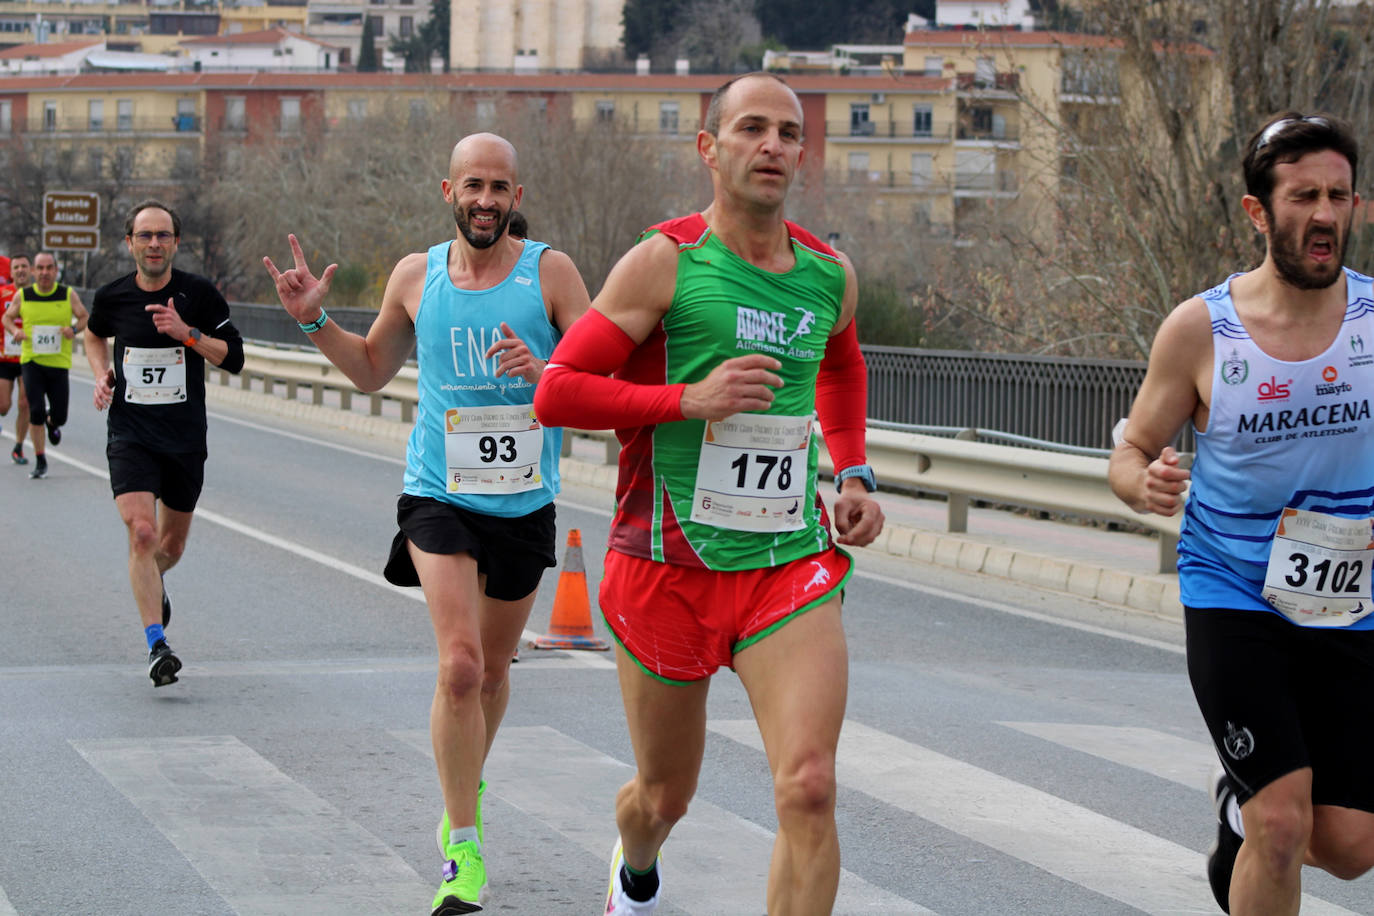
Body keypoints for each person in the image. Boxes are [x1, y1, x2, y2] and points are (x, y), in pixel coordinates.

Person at [533, 72, 885, 916]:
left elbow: (840, 363)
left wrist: (855, 469)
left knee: (808, 789)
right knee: (663, 797)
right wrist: (681, 400)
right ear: (710, 147)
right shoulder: (667, 261)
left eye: (789, 133)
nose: (772, 146)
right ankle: (637, 863)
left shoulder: (829, 275)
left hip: (786, 561)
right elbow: (558, 390)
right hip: (665, 566)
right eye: (752, 129)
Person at [263, 132, 590, 915]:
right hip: (437, 492)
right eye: (472, 185)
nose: (485, 200)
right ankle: (464, 848)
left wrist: (547, 373)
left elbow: (598, 375)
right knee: (461, 667)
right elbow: (372, 370)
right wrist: (314, 322)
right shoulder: (417, 275)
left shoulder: (551, 272)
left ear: (516, 196)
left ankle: (462, 773)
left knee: (498, 672)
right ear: (448, 190)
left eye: (499, 188)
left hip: (522, 500)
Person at [1109, 112, 1374, 915]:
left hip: (1349, 601)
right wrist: (1141, 482)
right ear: (1259, 213)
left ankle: (1237, 806)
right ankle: (1257, 811)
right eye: (1303, 197)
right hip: (1234, 595)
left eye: (1338, 195)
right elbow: (1130, 450)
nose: (1324, 214)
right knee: (1284, 826)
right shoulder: (1201, 330)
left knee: (1351, 848)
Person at [84, 200, 246, 687]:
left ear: (176, 243)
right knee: (142, 534)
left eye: (163, 236)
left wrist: (188, 335)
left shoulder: (199, 294)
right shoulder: (112, 297)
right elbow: (93, 337)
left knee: (170, 546)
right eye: (145, 236)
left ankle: (155, 581)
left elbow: (234, 358)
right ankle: (157, 643)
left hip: (183, 439)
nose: (154, 244)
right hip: (130, 433)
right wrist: (100, 375)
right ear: (129, 242)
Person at [2, 252, 88, 480]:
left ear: (56, 270)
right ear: (33, 271)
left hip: (59, 363)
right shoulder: (24, 295)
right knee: (35, 410)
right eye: (40, 268)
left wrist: (74, 330)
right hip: (31, 362)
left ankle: (53, 422)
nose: (44, 273)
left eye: (49, 268)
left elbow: (84, 317)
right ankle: (40, 459)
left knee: (60, 416)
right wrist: (15, 331)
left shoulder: (67, 294)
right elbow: (6, 319)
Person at [0, 253, 32, 464]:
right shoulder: (3, 294)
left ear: (30, 271)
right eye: (16, 267)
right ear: (11, 273)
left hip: (29, 357)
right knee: (3, 407)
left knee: (24, 403)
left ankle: (19, 447)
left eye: (24, 267)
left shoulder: (37, 295)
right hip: (5, 357)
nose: (20, 271)